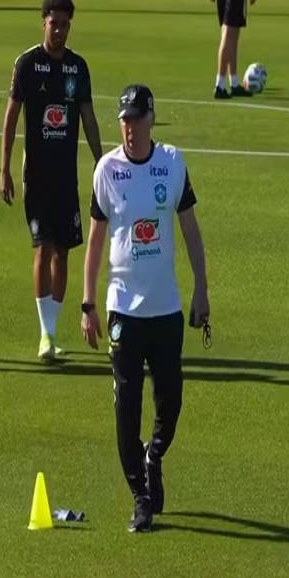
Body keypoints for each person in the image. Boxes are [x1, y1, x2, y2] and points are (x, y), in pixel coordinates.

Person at [81, 85, 210, 533]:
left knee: (170, 402)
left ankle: (154, 455)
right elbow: (95, 240)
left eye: (136, 119)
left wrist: (201, 291)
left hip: (166, 308)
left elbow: (190, 231)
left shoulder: (172, 163)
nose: (129, 128)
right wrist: (88, 303)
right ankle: (140, 497)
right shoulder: (106, 170)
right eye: (124, 120)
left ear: (151, 119)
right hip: (123, 310)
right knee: (126, 407)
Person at [0, 0, 102, 361]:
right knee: (43, 249)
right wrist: (4, 169)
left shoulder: (78, 67)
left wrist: (102, 164)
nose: (58, 30)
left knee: (63, 253)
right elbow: (11, 117)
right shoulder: (27, 64)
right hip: (37, 176)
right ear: (43, 22)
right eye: (53, 23)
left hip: (66, 177)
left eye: (64, 24)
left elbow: (88, 118)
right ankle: (45, 334)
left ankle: (53, 331)